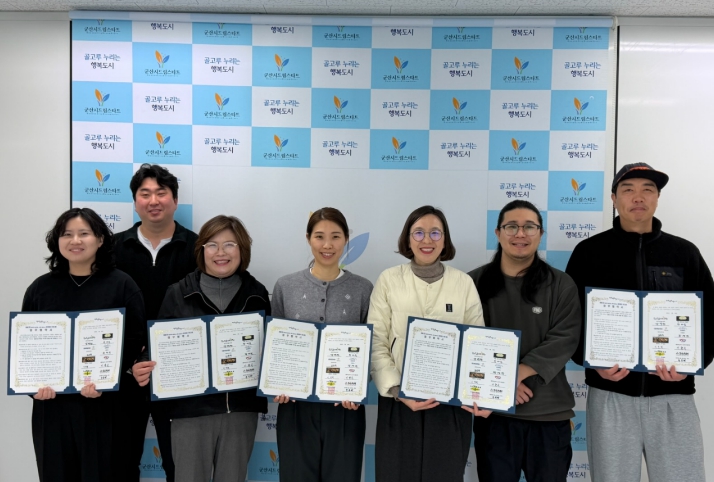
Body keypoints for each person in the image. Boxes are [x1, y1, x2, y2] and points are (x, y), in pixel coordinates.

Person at [565, 162, 714, 482]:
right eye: (628, 189)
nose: (638, 197)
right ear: (613, 198)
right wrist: (591, 362)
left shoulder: (684, 253)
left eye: (648, 189)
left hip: (673, 395)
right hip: (611, 394)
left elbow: (711, 317)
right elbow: (569, 319)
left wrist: (693, 363)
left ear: (657, 198)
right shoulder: (589, 252)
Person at [133, 215, 270, 482]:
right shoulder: (178, 293)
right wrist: (142, 364)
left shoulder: (257, 294)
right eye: (212, 245)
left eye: (229, 244)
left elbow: (270, 349)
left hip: (240, 411)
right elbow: (159, 345)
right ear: (201, 250)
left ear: (242, 249)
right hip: (190, 412)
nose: (221, 253)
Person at [22, 207, 145, 482]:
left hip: (106, 407)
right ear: (57, 241)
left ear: (100, 239)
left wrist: (107, 380)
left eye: (84, 233)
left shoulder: (122, 285)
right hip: (52, 408)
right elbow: (27, 347)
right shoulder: (40, 289)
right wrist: (33, 388)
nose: (75, 241)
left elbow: (135, 341)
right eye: (67, 234)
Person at [369, 205, 487, 482]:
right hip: (399, 402)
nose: (427, 240)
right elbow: (377, 340)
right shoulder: (389, 280)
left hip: (450, 406)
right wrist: (397, 389)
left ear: (445, 240)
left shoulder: (463, 283)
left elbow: (478, 343)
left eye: (435, 233)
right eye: (419, 233)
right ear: (407, 239)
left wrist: (477, 391)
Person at [468, 200, 581, 482]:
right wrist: (504, 383)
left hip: (549, 416)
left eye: (529, 227)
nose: (520, 234)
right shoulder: (473, 283)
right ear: (498, 233)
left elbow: (565, 337)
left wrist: (513, 375)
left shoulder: (561, 284)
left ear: (540, 234)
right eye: (512, 227)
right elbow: (468, 342)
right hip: (495, 415)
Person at [271, 207, 373, 482]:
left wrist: (357, 387)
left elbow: (371, 350)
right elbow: (275, 348)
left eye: (336, 236)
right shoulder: (285, 286)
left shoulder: (363, 289)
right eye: (319, 236)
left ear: (346, 239)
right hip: (295, 407)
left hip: (345, 409)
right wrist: (278, 382)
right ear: (308, 238)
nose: (327, 245)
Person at [116, 163, 198, 482]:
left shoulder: (197, 249)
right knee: (121, 465)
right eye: (145, 193)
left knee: (180, 468)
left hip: (179, 375)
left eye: (161, 193)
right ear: (135, 201)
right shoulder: (112, 249)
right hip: (127, 375)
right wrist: (128, 361)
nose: (153, 201)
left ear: (175, 201)